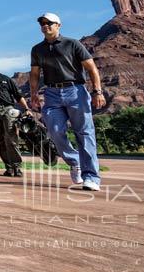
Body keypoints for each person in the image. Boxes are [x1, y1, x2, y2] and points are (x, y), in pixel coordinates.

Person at [28, 12, 106, 191]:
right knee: (54, 131)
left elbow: (91, 68)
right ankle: (74, 160)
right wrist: (33, 94)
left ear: (58, 25)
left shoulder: (73, 44)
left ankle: (91, 177)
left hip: (75, 91)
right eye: (42, 23)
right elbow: (34, 74)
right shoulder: (37, 49)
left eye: (49, 23)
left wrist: (97, 91)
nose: (45, 25)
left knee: (84, 133)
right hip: (51, 93)